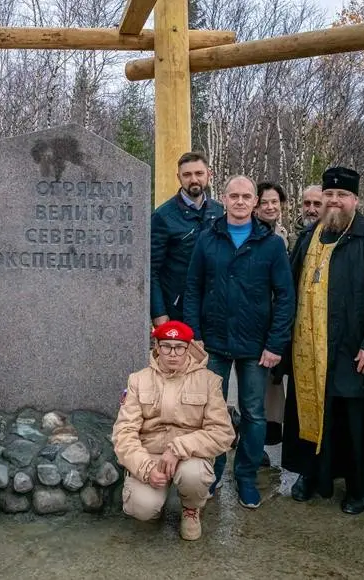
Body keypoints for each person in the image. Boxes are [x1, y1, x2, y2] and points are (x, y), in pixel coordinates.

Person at [282, 166, 364, 515]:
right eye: (329, 195)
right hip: (310, 350)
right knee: (310, 413)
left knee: (353, 421)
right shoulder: (309, 236)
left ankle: (357, 486)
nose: (334, 201)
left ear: (355, 199)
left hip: (352, 348)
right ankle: (312, 474)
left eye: (342, 195)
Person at [183, 175, 294, 508]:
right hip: (213, 342)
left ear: (255, 203)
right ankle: (213, 475)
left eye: (248, 196)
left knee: (254, 413)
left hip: (255, 344)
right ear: (225, 199)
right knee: (212, 413)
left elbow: (285, 296)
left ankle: (246, 477)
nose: (241, 202)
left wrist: (275, 344)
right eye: (235, 196)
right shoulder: (208, 238)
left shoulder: (271, 244)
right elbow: (192, 289)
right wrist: (194, 335)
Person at [112, 321, 234, 541]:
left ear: (189, 348)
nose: (172, 354)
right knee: (143, 508)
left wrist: (179, 448)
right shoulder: (138, 380)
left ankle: (191, 509)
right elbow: (124, 433)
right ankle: (155, 499)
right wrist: (146, 469)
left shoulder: (209, 381)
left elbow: (222, 433)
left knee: (193, 475)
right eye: (166, 346)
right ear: (156, 346)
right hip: (150, 454)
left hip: (190, 456)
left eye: (179, 347)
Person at [150, 152, 223, 326]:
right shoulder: (163, 216)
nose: (194, 180)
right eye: (187, 175)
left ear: (209, 174)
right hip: (178, 309)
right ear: (179, 177)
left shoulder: (220, 212)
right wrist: (159, 313)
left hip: (215, 308)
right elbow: (151, 269)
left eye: (199, 173)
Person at [255, 181, 293, 456]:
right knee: (253, 389)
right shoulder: (248, 233)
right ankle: (253, 445)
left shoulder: (282, 234)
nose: (270, 207)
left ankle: (265, 441)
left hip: (275, 321)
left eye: (274, 203)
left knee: (271, 384)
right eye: (264, 202)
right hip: (253, 321)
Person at [288, 185, 323, 250]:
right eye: (307, 203)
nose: (311, 210)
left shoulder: (333, 239)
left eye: (317, 204)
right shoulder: (290, 240)